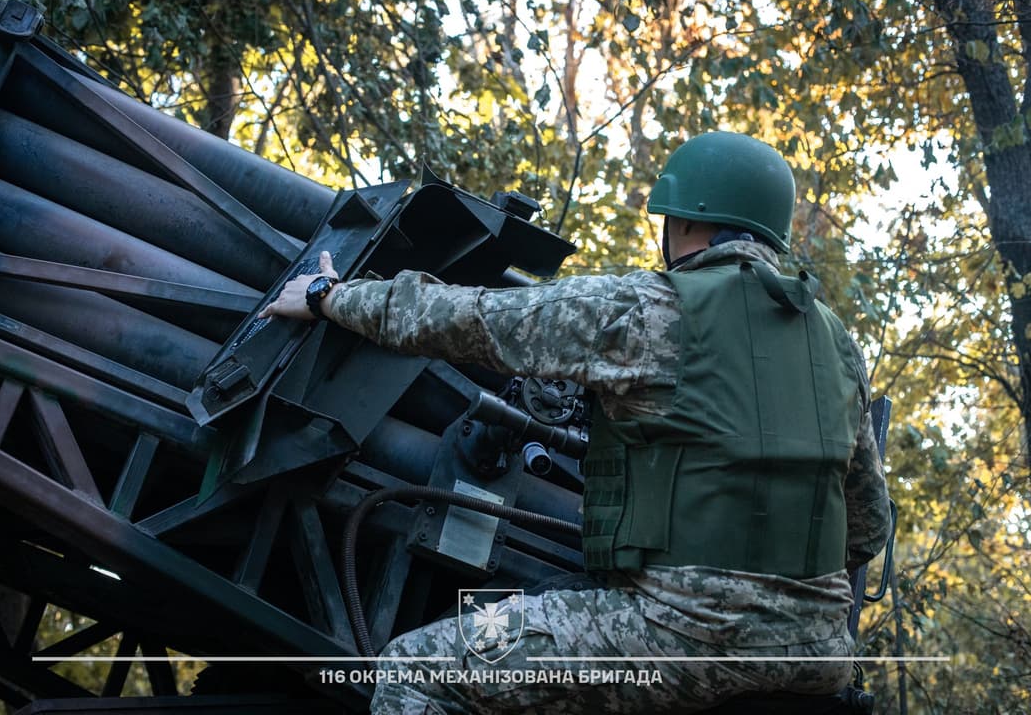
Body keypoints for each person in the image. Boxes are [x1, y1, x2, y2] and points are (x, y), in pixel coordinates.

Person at [259, 131, 891, 714]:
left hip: (678, 640)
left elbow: (470, 319)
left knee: (414, 669)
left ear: (689, 220)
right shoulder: (836, 347)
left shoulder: (649, 310)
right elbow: (866, 528)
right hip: (818, 654)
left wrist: (327, 298)